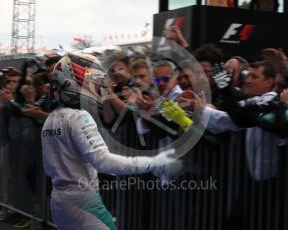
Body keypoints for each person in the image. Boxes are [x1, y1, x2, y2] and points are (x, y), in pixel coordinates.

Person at [41, 53, 182, 230]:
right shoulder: (79, 117)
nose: (98, 84)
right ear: (75, 81)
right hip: (83, 201)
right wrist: (153, 163)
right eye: (92, 80)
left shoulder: (51, 119)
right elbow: (103, 161)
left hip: (60, 199)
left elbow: (50, 167)